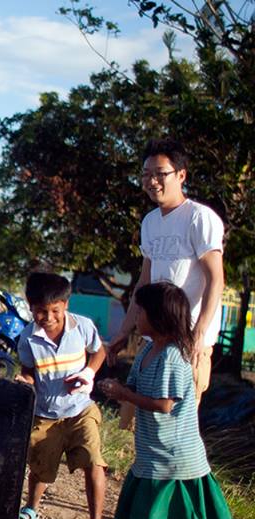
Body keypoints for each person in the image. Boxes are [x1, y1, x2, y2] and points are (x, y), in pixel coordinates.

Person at [99, 282, 238, 519]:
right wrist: (116, 384)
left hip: (173, 454)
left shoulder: (173, 357)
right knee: (145, 507)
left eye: (142, 312)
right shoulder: (149, 350)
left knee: (158, 518)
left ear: (159, 317)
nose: (137, 317)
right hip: (153, 450)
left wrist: (124, 394)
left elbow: (164, 405)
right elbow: (135, 386)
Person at [108, 138, 225, 428]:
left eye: (160, 173)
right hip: (152, 343)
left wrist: (197, 336)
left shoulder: (199, 218)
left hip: (186, 346)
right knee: (133, 428)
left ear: (181, 175)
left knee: (172, 431)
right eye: (146, 175)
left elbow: (216, 280)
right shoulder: (149, 222)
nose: (152, 181)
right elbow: (143, 282)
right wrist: (123, 332)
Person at [16, 272, 110, 519]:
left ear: (65, 305)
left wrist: (89, 373)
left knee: (94, 461)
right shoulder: (27, 339)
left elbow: (99, 351)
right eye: (40, 312)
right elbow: (29, 370)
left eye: (55, 311)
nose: (48, 318)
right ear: (31, 307)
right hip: (46, 414)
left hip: (81, 409)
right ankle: (31, 508)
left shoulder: (82, 327)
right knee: (40, 467)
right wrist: (25, 380)